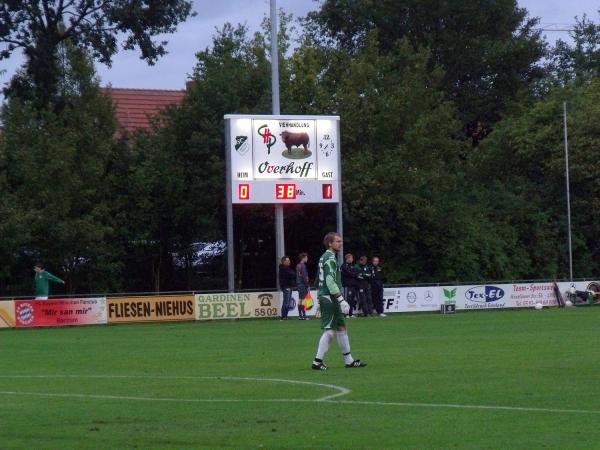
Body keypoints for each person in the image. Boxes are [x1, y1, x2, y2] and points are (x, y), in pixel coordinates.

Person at [311, 232, 367, 370]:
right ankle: (317, 361)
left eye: (341, 241)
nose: (340, 243)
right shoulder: (329, 258)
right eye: (337, 241)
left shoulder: (325, 257)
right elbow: (329, 282)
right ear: (330, 243)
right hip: (329, 297)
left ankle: (349, 360)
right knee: (329, 330)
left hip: (328, 296)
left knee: (341, 327)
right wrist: (341, 299)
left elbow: (318, 279)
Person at [341, 253, 360, 317]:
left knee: (352, 300)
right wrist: (353, 274)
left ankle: (350, 313)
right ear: (347, 258)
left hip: (353, 285)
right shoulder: (343, 266)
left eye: (352, 258)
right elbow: (349, 274)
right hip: (347, 286)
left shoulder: (352, 266)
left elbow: (356, 273)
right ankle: (346, 314)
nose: (352, 259)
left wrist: (353, 274)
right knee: (347, 300)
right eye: (351, 258)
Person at [278, 256, 296, 320]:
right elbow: (291, 274)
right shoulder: (283, 269)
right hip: (286, 286)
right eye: (287, 261)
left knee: (288, 302)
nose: (289, 262)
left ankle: (285, 316)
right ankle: (283, 316)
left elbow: (293, 274)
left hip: (289, 286)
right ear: (284, 262)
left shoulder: (288, 268)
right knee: (286, 302)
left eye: (289, 260)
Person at [296, 252, 309, 320]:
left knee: (300, 300)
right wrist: (307, 285)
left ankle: (300, 315)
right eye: (306, 257)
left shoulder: (298, 265)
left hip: (299, 284)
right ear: (303, 258)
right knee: (303, 300)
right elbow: (304, 276)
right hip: (302, 285)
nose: (307, 259)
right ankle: (303, 315)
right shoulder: (303, 266)